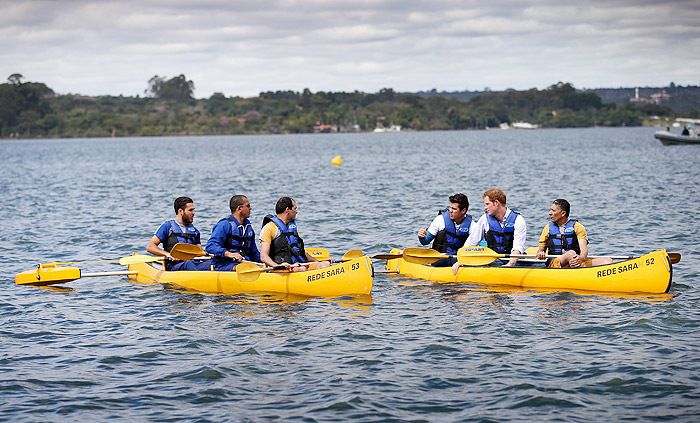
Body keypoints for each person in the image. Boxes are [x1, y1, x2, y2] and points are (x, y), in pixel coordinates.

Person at [452, 188, 527, 274]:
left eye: (487, 204)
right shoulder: (484, 219)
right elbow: (472, 242)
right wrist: (460, 261)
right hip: (493, 261)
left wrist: (509, 264)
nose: (485, 207)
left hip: (514, 261)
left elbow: (518, 246)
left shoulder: (518, 220)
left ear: (496, 203)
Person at [260, 197, 334, 272]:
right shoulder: (269, 228)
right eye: (295, 208)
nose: (296, 212)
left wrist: (319, 262)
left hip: (297, 265)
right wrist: (278, 266)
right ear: (287, 210)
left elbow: (300, 251)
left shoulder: (292, 228)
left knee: (325, 265)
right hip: (280, 268)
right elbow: (264, 256)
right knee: (301, 269)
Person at [535, 199, 613, 268]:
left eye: (553, 210)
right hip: (556, 262)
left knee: (607, 260)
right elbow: (540, 250)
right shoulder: (548, 228)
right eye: (550, 210)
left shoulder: (578, 227)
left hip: (576, 260)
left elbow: (584, 249)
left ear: (563, 213)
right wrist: (540, 253)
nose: (550, 213)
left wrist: (580, 259)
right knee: (570, 254)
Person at [146, 196, 210, 271]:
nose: (193, 213)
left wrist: (213, 260)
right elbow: (150, 247)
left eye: (193, 210)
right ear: (180, 211)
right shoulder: (167, 227)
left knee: (211, 264)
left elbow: (200, 252)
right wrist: (168, 254)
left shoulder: (195, 231)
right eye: (190, 210)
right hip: (174, 265)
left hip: (193, 263)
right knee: (188, 263)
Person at [417, 193, 476, 267]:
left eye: (454, 209)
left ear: (463, 210)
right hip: (439, 259)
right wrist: (421, 237)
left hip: (458, 261)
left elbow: (481, 244)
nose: (450, 211)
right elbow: (425, 241)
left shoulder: (472, 225)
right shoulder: (440, 220)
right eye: (450, 207)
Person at [205, 195, 260, 271]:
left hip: (244, 263)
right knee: (245, 268)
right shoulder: (224, 225)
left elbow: (254, 253)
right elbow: (210, 246)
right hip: (223, 265)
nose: (250, 208)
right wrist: (229, 254)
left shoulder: (248, 228)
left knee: (260, 267)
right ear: (239, 208)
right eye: (248, 206)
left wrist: (269, 263)